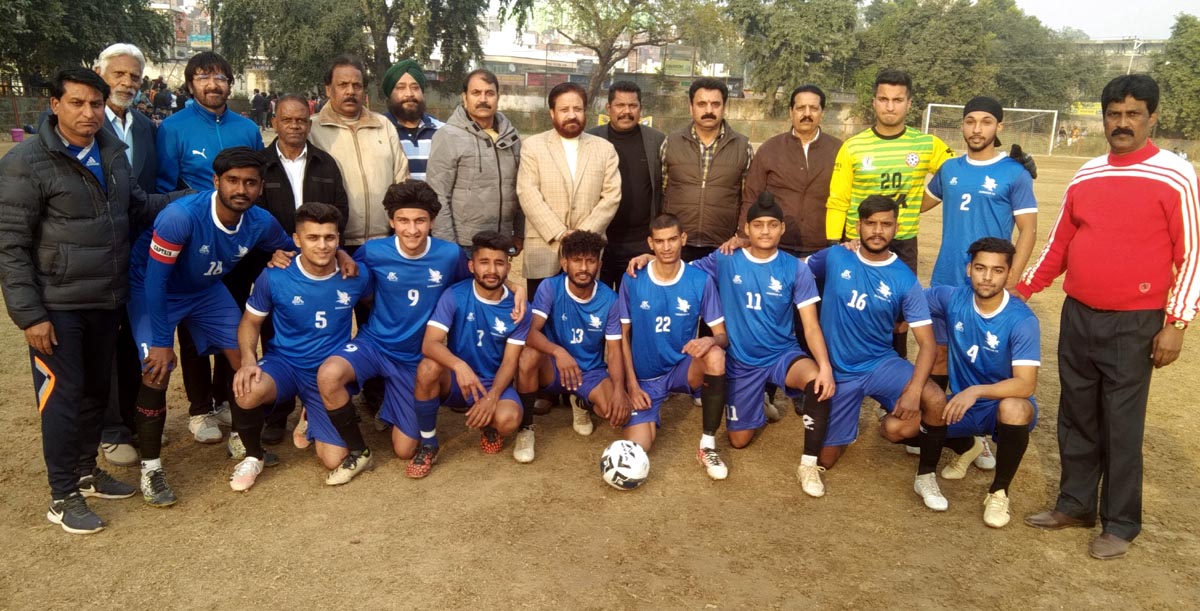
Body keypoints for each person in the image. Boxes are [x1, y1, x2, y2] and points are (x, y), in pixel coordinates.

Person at [1018, 75, 1199, 560]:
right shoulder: (1087, 173)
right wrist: (1022, 291)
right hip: (1079, 314)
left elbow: (1193, 253)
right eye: (1114, 114)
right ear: (1103, 118)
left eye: (1133, 114)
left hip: (1135, 322)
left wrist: (1177, 323)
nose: (1122, 123)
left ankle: (1120, 522)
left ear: (1152, 117)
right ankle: (1075, 504)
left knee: (1121, 423)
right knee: (1076, 416)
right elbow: (1059, 243)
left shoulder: (1176, 175)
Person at [0, 68, 172, 534]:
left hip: (105, 299)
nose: (88, 113)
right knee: (62, 399)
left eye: (95, 105)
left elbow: (137, 207)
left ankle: (83, 471)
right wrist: (30, 315)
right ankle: (62, 495)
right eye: (76, 103)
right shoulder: (26, 162)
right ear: (54, 104)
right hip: (56, 307)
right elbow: (10, 245)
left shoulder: (111, 155)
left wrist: (200, 198)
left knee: (98, 391)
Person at [314, 181, 525, 483]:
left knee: (404, 449)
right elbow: (345, 269)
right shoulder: (373, 251)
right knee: (329, 374)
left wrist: (516, 288)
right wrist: (343, 256)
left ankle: (395, 407)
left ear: (432, 222)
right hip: (375, 344)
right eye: (403, 220)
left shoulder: (449, 254)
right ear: (391, 221)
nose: (412, 230)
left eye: (420, 221)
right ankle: (358, 450)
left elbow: (485, 276)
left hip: (417, 357)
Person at [127, 147, 302, 507]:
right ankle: (151, 468)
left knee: (244, 360)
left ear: (260, 187)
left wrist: (294, 254)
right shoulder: (180, 216)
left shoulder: (260, 221)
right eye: (233, 180)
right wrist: (162, 341)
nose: (242, 189)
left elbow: (292, 249)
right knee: (156, 371)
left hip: (204, 290)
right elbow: (156, 283)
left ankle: (243, 439)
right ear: (216, 181)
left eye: (250, 183)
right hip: (153, 290)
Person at [806, 196, 948, 508]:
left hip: (880, 363)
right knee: (826, 460)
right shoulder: (834, 257)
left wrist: (912, 392)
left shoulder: (904, 278)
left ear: (896, 228)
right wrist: (743, 244)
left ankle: (927, 475)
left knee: (934, 398)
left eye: (885, 224)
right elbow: (792, 269)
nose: (877, 230)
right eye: (871, 223)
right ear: (858, 225)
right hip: (839, 371)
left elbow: (926, 343)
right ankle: (850, 424)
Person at [224, 93, 350, 445]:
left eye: (301, 121)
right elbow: (252, 218)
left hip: (320, 259)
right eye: (287, 120)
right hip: (276, 262)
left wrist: (333, 249)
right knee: (275, 336)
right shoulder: (261, 166)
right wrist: (272, 253)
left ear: (309, 124)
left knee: (319, 333)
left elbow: (340, 208)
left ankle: (319, 404)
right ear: (275, 122)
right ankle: (277, 414)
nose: (295, 126)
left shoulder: (326, 163)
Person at [920, 95, 1039, 465]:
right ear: (962, 125)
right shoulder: (950, 170)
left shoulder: (1014, 174)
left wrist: (1014, 278)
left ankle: (981, 435)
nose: (977, 129)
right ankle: (936, 428)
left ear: (999, 127)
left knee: (985, 359)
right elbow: (916, 203)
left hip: (989, 282)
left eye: (986, 122)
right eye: (970, 121)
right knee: (938, 354)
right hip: (948, 278)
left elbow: (1029, 230)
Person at [691, 193, 835, 495]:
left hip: (782, 354)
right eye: (758, 225)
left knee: (816, 381)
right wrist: (652, 259)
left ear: (782, 228)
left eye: (772, 225)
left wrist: (825, 368)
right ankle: (756, 401)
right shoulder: (725, 258)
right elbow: (680, 271)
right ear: (746, 229)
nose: (765, 231)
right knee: (739, 440)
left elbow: (810, 325)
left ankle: (808, 465)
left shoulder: (795, 268)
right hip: (741, 360)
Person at [155, 51, 266, 446]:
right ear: (190, 85)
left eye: (220, 76)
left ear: (230, 84)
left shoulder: (248, 127)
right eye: (203, 77)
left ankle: (224, 399)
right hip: (193, 244)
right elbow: (165, 188)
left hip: (238, 241)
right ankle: (200, 408)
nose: (212, 84)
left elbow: (256, 184)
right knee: (193, 330)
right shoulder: (172, 128)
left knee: (234, 326)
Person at [229, 203, 371, 491]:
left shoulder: (356, 275)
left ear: (339, 239)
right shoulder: (275, 275)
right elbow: (250, 322)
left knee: (334, 460)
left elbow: (373, 308)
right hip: (285, 364)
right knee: (247, 389)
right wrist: (247, 359)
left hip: (327, 372)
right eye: (313, 238)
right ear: (296, 240)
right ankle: (254, 456)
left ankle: (311, 412)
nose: (322, 246)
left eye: (330, 238)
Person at [825, 69, 954, 357]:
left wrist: (1008, 164)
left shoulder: (927, 145)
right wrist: (835, 244)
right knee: (852, 307)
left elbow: (958, 174)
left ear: (909, 104)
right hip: (856, 242)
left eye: (897, 99)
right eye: (883, 99)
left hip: (902, 241)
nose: (890, 106)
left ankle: (893, 375)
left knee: (899, 315)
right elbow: (838, 199)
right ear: (874, 103)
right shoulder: (853, 147)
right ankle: (846, 367)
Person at [919, 237, 1040, 527]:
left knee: (1015, 408)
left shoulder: (1022, 320)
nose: (987, 277)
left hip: (996, 405)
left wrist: (976, 391)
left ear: (1010, 274)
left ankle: (998, 493)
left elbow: (1025, 384)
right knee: (898, 430)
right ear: (968, 269)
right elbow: (907, 297)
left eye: (997, 270)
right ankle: (968, 445)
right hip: (962, 406)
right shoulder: (952, 298)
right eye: (980, 268)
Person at [617, 214, 729, 479]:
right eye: (659, 241)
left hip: (682, 369)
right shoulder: (633, 277)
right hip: (645, 378)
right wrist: (631, 386)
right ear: (650, 243)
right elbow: (621, 336)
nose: (666, 247)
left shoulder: (700, 280)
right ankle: (649, 410)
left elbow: (723, 336)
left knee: (715, 355)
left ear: (683, 239)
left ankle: (707, 445)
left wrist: (710, 339)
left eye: (672, 240)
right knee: (638, 446)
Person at [411, 231, 532, 471]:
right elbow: (430, 344)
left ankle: (489, 425)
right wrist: (459, 365)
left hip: (492, 381)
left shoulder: (519, 308)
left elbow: (510, 363)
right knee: (427, 367)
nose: (492, 270)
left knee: (508, 421)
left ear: (508, 267)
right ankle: (428, 444)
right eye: (484, 262)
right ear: (471, 266)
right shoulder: (455, 295)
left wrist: (492, 397)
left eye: (499, 263)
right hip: (458, 380)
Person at [94, 43, 161, 467]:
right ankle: (111, 427)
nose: (126, 83)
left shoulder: (145, 127)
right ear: (100, 75)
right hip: (97, 249)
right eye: (118, 75)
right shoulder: (84, 123)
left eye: (134, 77)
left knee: (135, 335)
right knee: (105, 338)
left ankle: (137, 420)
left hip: (139, 248)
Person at [515, 231, 631, 463]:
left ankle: (581, 401)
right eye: (577, 260)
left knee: (614, 414)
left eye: (590, 261)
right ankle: (526, 429)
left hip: (589, 370)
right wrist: (558, 351)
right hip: (554, 366)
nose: (584, 267)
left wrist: (619, 391)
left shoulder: (610, 299)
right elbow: (530, 332)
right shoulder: (550, 287)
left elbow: (615, 351)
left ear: (598, 264)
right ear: (564, 262)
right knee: (528, 357)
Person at [517, 81, 621, 296]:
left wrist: (581, 236)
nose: (572, 115)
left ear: (585, 112)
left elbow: (612, 197)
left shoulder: (605, 149)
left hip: (587, 255)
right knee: (541, 321)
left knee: (582, 319)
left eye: (578, 109)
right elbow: (527, 193)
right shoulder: (533, 146)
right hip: (544, 249)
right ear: (552, 113)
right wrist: (561, 233)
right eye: (564, 109)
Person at [308, 55, 410, 248]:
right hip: (334, 243)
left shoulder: (383, 126)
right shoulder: (312, 130)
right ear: (328, 89)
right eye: (343, 84)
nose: (350, 91)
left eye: (357, 85)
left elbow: (401, 180)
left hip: (386, 241)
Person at [426, 69, 523, 250]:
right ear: (464, 97)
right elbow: (438, 195)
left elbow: (520, 189)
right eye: (476, 93)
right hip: (464, 243)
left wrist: (518, 232)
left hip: (500, 241)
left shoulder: (511, 137)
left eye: (489, 93)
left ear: (498, 97)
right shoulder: (448, 136)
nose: (483, 99)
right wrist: (447, 245)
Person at [660, 78, 753, 262]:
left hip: (723, 246)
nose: (709, 110)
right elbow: (661, 193)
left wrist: (741, 235)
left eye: (715, 104)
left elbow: (747, 197)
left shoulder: (743, 146)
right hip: (677, 245)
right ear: (691, 107)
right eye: (702, 104)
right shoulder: (671, 143)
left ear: (724, 107)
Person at [586, 81, 665, 289]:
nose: (626, 112)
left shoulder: (656, 141)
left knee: (635, 310)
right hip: (600, 241)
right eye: (620, 105)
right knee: (600, 307)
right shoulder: (591, 138)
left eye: (633, 106)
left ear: (640, 108)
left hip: (639, 245)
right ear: (608, 108)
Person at [381, 59, 443, 181]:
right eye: (401, 88)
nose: (409, 94)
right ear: (390, 95)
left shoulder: (442, 131)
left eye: (415, 88)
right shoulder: (379, 130)